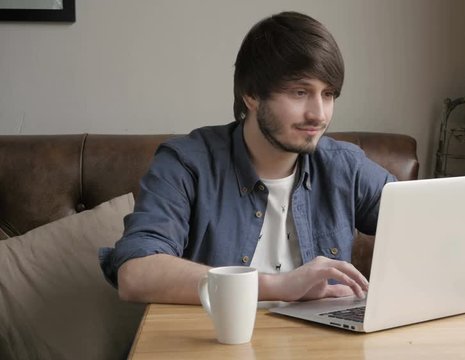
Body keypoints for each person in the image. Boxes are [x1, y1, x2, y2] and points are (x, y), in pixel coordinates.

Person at [99, 11, 396, 305]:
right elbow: (135, 275)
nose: (318, 114)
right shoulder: (186, 164)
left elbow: (427, 228)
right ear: (251, 95)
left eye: (328, 94)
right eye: (300, 92)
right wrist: (278, 286)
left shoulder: (344, 165)